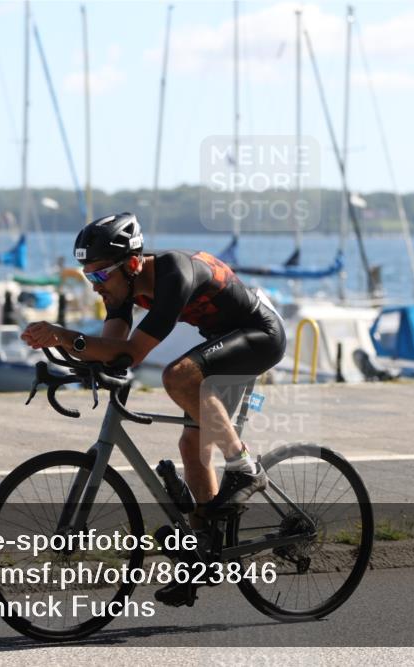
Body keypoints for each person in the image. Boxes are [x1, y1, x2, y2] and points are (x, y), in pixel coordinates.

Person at [21, 213, 286, 604]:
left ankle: (245, 467)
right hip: (223, 341)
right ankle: (202, 556)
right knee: (191, 447)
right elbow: (110, 351)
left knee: (178, 376)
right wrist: (62, 360)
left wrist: (64, 335)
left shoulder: (174, 274)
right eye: (86, 277)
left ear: (131, 264)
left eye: (98, 276)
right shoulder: (121, 290)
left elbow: (131, 352)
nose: (94, 287)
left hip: (259, 334)